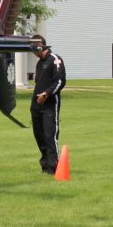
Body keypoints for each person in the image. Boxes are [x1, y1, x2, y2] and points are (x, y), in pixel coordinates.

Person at [30, 35, 66, 174]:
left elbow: (60, 81)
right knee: (39, 135)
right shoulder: (40, 62)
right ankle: (45, 165)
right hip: (36, 105)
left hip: (49, 105)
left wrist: (46, 94)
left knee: (50, 136)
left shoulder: (55, 60)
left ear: (40, 45)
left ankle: (53, 166)